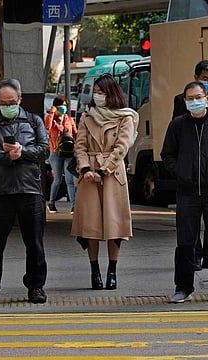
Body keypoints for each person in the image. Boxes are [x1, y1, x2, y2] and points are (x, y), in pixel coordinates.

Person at [0, 78, 50, 305]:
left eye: (11, 101)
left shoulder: (34, 121)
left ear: (19, 99)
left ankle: (36, 286)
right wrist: (6, 156)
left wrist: (22, 151)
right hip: (0, 191)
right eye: (2, 102)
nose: (7, 105)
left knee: (34, 243)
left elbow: (45, 149)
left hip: (30, 189)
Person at [161, 81, 208, 303]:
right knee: (185, 243)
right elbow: (167, 155)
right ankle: (182, 287)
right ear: (184, 101)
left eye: (198, 97)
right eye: (190, 98)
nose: (195, 101)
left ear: (207, 98)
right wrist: (180, 172)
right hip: (187, 193)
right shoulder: (177, 126)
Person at [71, 74, 138, 291]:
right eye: (96, 92)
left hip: (112, 175)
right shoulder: (86, 116)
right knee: (90, 226)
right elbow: (79, 145)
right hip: (89, 174)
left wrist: (103, 170)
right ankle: (94, 270)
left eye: (102, 92)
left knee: (114, 225)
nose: (98, 96)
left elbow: (122, 147)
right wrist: (86, 169)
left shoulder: (125, 117)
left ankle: (112, 271)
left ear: (111, 93)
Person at [172, 60, 208, 272]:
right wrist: (180, 170)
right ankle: (184, 283)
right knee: (186, 238)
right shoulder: (179, 118)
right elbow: (171, 149)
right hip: (188, 186)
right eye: (205, 79)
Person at [44, 95, 78, 214]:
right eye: (61, 105)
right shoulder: (51, 118)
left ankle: (74, 206)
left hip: (68, 152)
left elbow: (75, 133)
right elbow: (47, 127)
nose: (63, 107)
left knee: (70, 180)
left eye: (65, 105)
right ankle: (52, 203)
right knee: (57, 179)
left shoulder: (69, 119)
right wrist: (52, 113)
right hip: (55, 152)